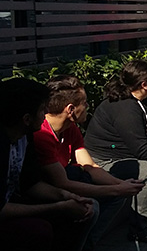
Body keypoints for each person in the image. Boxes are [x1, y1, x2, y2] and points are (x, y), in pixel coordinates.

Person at [33, 75, 147, 248]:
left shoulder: (70, 128)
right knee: (94, 204)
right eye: (85, 103)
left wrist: (122, 185)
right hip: (46, 194)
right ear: (71, 109)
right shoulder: (42, 135)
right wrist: (116, 189)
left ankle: (90, 243)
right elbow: (63, 184)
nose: (88, 107)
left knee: (115, 196)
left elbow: (90, 167)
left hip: (66, 186)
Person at [84, 60, 147, 239]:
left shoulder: (146, 100)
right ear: (145, 84)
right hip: (106, 161)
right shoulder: (124, 107)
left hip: (127, 154)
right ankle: (139, 227)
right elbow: (141, 149)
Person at [0, 78, 97, 251]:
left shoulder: (25, 137)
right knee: (39, 230)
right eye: (42, 109)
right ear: (27, 118)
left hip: (15, 200)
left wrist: (66, 196)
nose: (46, 113)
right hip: (7, 211)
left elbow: (30, 183)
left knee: (84, 209)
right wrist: (58, 207)